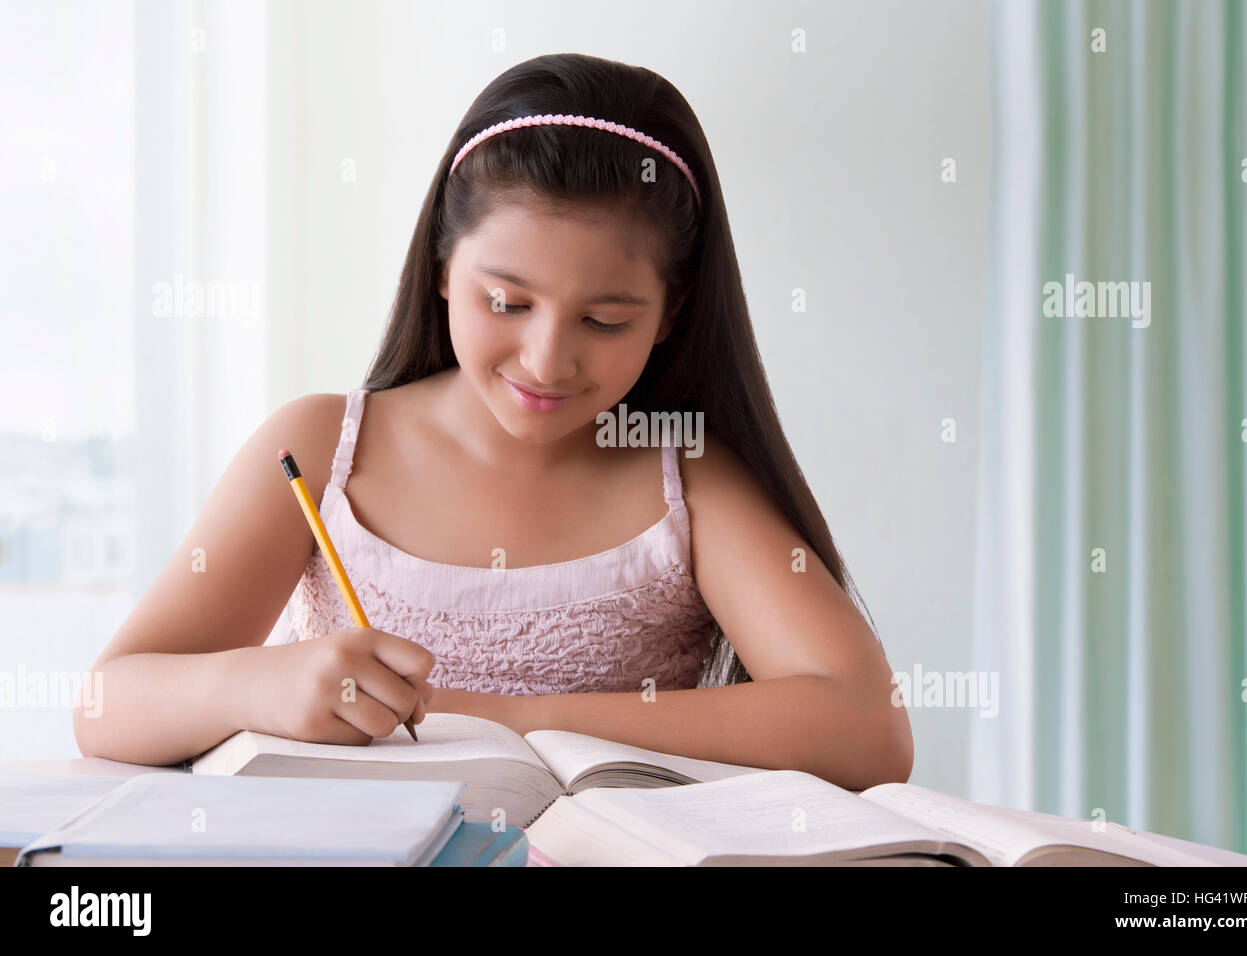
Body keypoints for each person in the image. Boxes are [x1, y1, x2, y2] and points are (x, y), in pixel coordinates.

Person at [75, 53, 912, 792]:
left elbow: (867, 727)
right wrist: (254, 687)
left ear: (669, 314)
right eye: (506, 301)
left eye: (607, 320)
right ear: (443, 267)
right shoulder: (323, 447)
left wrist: (511, 716)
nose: (548, 361)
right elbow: (105, 704)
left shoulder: (684, 476)